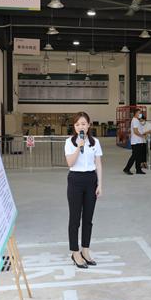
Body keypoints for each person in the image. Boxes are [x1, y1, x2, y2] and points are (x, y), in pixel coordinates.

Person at [64, 112, 103, 269]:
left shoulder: (95, 142)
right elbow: (70, 163)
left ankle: (85, 250)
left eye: (83, 124)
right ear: (74, 127)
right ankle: (75, 252)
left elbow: (98, 163)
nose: (81, 126)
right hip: (75, 180)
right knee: (75, 218)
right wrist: (78, 147)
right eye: (77, 124)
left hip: (91, 180)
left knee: (88, 218)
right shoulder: (69, 142)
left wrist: (100, 184)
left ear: (88, 125)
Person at [123, 108, 146, 175]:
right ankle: (126, 169)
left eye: (141, 113)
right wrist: (142, 135)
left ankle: (138, 169)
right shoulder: (135, 120)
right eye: (139, 113)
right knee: (134, 156)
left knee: (139, 156)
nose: (140, 114)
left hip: (139, 141)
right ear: (135, 113)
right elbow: (135, 131)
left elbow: (142, 125)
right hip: (136, 142)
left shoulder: (137, 120)